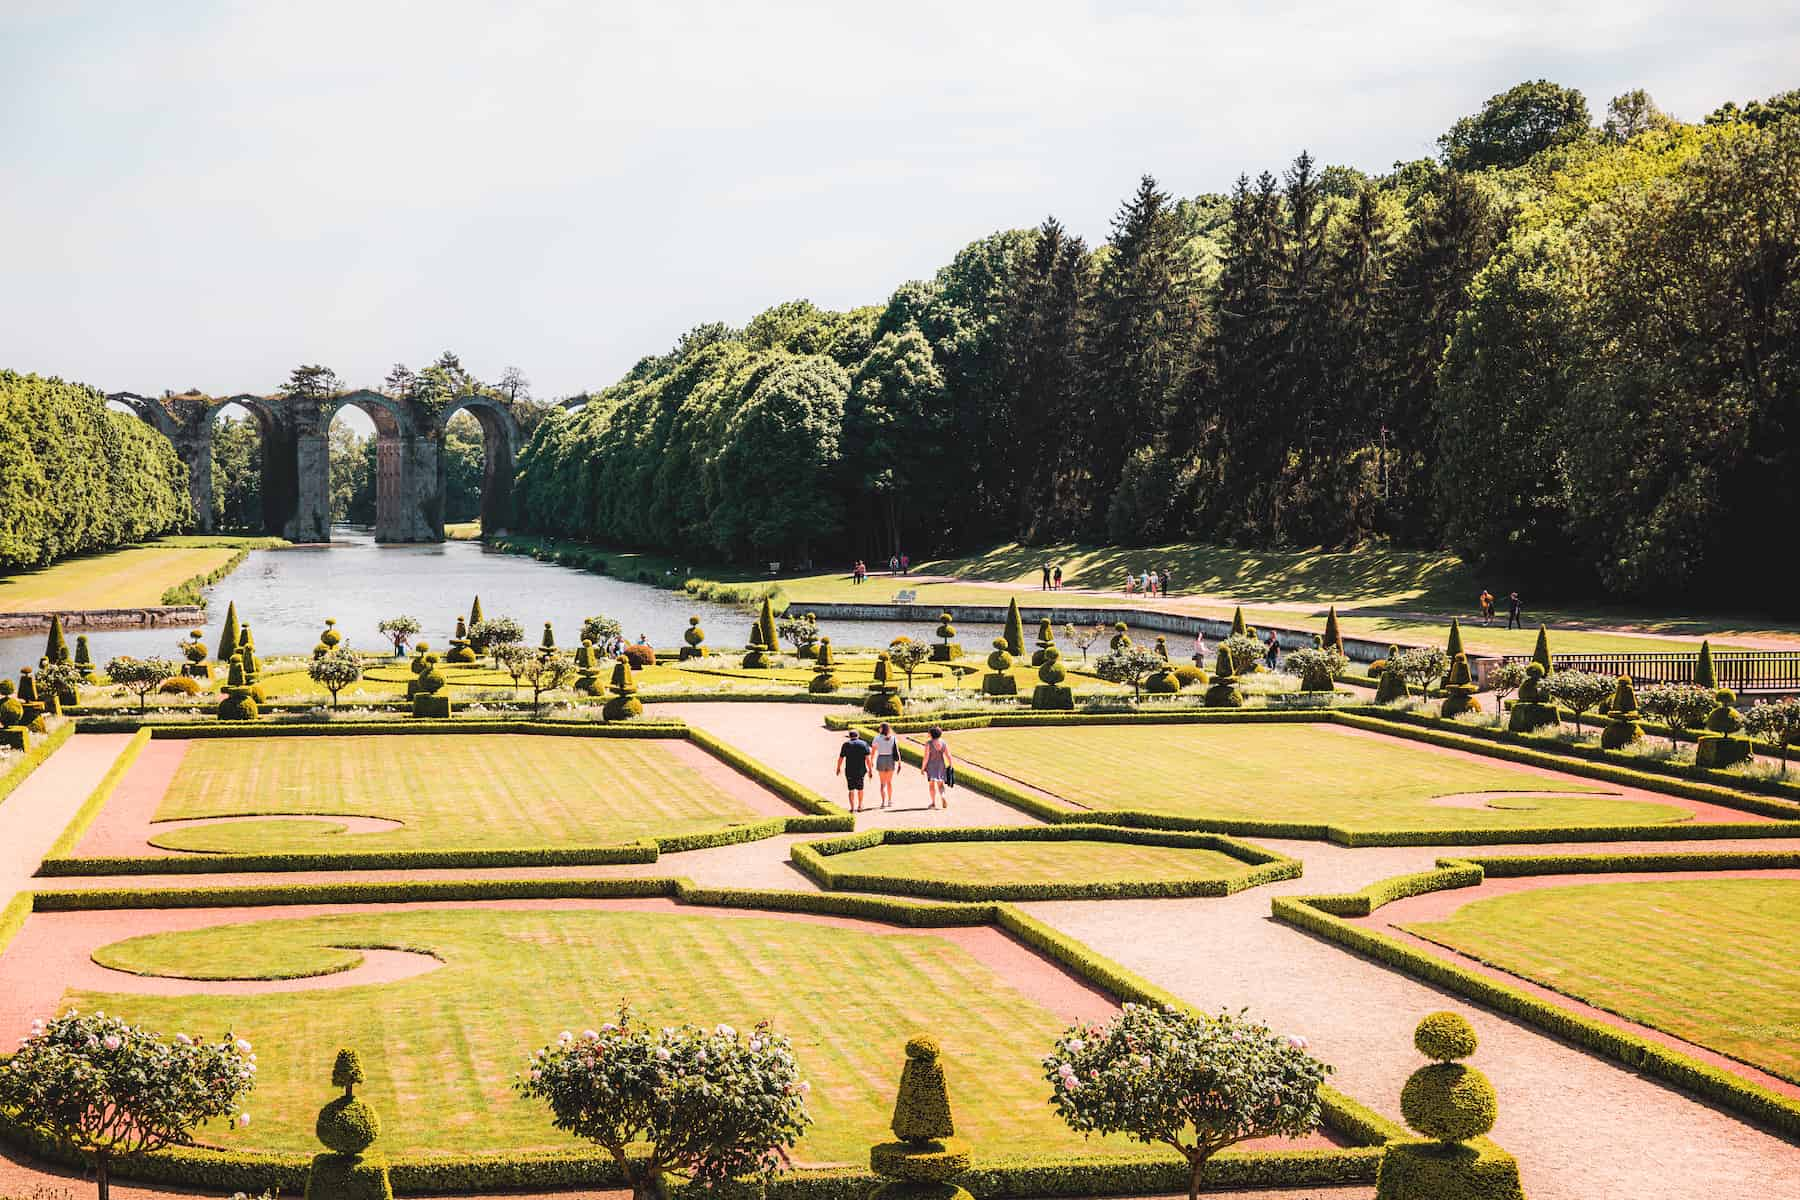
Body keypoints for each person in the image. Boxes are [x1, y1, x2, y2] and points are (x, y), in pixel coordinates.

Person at [836, 728, 873, 813]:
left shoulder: (846, 744)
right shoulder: (864, 744)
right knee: (860, 789)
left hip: (849, 770)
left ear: (849, 736)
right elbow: (868, 759)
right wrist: (870, 770)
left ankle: (852, 807)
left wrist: (838, 768)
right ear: (858, 736)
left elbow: (841, 758)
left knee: (851, 789)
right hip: (861, 770)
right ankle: (860, 806)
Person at [921, 726, 953, 810]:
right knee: (941, 785)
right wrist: (951, 765)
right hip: (941, 765)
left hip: (931, 766)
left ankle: (933, 803)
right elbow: (948, 755)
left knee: (931, 785)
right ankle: (943, 796)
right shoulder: (943, 742)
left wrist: (922, 768)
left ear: (931, 734)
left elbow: (926, 757)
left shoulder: (929, 743)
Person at [872, 721, 902, 809]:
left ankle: (883, 802)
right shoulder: (893, 738)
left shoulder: (877, 738)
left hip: (881, 758)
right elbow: (897, 751)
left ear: (882, 729)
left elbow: (873, 751)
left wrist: (871, 761)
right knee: (889, 782)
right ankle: (889, 801)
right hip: (890, 759)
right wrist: (899, 763)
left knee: (882, 783)